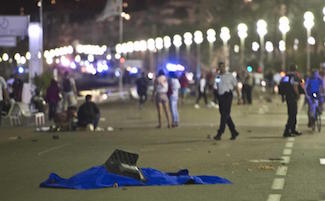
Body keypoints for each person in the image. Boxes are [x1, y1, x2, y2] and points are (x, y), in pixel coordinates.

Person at [213, 62, 240, 141]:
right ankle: (233, 131)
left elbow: (235, 86)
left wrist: (239, 97)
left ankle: (220, 132)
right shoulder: (218, 76)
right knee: (225, 114)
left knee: (224, 114)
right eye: (220, 67)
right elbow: (216, 86)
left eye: (223, 67)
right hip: (221, 97)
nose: (221, 68)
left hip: (228, 95)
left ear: (225, 67)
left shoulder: (230, 76)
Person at [280, 64, 302, 137]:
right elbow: (295, 87)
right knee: (293, 114)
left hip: (287, 97)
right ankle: (287, 131)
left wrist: (283, 96)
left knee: (292, 113)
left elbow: (282, 86)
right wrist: (298, 95)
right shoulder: (294, 76)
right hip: (292, 97)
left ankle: (293, 129)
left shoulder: (286, 76)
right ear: (295, 69)